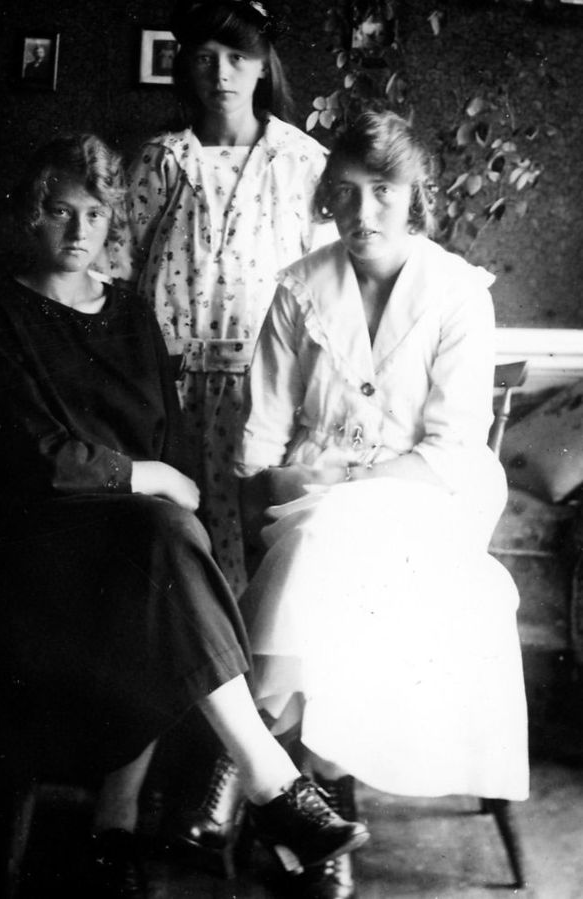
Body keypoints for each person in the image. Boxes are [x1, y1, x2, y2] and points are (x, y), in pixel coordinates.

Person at [0, 133, 367, 899]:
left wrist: (161, 481)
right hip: (31, 546)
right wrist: (143, 476)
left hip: (131, 545)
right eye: (59, 211)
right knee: (163, 537)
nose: (79, 230)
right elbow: (31, 453)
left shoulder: (134, 314)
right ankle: (267, 786)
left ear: (114, 218)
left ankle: (125, 825)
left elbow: (165, 434)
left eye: (95, 213)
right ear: (30, 214)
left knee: (167, 544)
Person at [235, 110, 530, 898]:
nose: (362, 213)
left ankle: (272, 766)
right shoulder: (300, 289)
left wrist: (342, 489)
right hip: (305, 496)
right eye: (346, 191)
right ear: (328, 195)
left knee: (334, 536)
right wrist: (272, 490)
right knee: (321, 535)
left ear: (415, 195)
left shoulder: (457, 293)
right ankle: (315, 800)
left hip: (428, 498)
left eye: (384, 192)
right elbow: (262, 432)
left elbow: (449, 447)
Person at [104, 0, 334, 596]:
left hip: (262, 390)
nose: (221, 74)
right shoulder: (162, 160)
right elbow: (119, 272)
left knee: (257, 536)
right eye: (205, 58)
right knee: (173, 532)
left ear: (263, 65)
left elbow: (326, 289)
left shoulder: (303, 163)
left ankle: (248, 649)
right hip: (167, 385)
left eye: (237, 58)